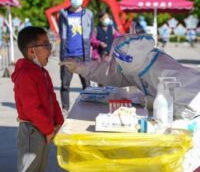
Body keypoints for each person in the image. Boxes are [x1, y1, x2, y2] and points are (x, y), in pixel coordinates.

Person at [61, 33, 200, 120]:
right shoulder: (138, 66)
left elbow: (189, 108)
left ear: (127, 59)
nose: (115, 63)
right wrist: (80, 67)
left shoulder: (164, 71)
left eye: (117, 59)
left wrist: (148, 101)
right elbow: (110, 73)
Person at [11, 26, 64, 172]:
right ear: (31, 51)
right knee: (30, 168)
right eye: (46, 45)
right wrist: (48, 130)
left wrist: (59, 121)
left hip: (44, 127)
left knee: (40, 167)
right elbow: (31, 108)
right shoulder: (26, 75)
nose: (50, 49)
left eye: (49, 44)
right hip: (32, 130)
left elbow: (52, 98)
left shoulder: (43, 72)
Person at [59, 0, 94, 115]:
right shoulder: (63, 14)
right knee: (65, 85)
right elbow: (61, 33)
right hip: (67, 55)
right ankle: (65, 109)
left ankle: (89, 108)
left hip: (83, 55)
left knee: (87, 85)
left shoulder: (88, 14)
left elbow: (91, 33)